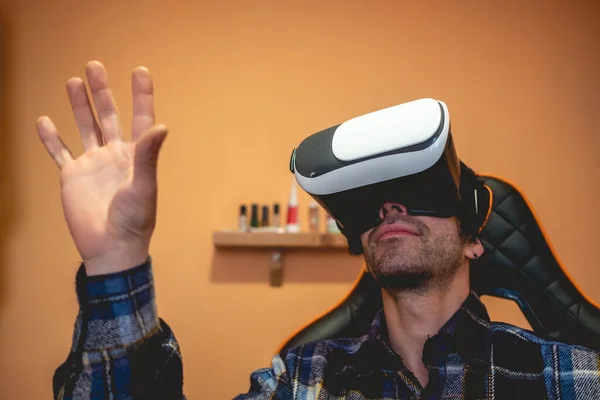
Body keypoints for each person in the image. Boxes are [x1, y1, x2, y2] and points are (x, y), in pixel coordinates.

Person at [39, 61, 600, 400]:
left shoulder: (573, 379)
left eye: (417, 197)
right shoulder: (301, 381)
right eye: (374, 206)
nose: (390, 211)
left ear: (475, 237)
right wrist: (117, 261)